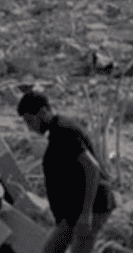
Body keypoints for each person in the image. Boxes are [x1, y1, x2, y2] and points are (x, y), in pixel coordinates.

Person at [17, 91, 116, 253]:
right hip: (73, 211)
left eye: (30, 121)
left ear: (43, 112)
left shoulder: (64, 131)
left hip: (93, 206)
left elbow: (92, 168)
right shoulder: (57, 132)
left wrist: (86, 214)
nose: (30, 128)